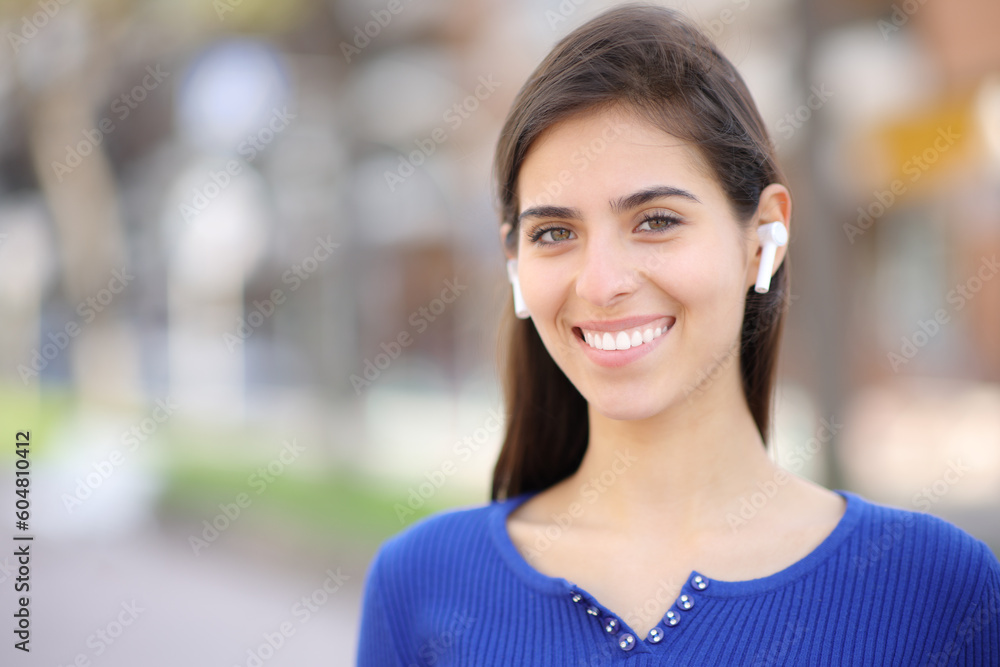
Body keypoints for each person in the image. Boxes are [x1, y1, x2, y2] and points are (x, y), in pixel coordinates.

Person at [356, 4, 1000, 664]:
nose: (601, 282)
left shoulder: (933, 589)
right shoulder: (420, 583)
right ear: (515, 261)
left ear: (762, 237)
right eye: (555, 233)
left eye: (656, 220)